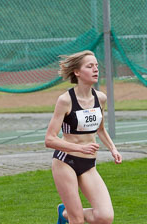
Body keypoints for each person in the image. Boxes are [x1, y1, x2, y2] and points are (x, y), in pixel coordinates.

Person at [45, 50, 122, 224]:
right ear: (77, 72)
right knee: (77, 220)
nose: (96, 69)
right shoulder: (65, 100)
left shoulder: (100, 98)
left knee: (105, 216)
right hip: (66, 161)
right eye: (90, 66)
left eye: (96, 65)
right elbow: (49, 139)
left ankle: (64, 213)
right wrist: (79, 148)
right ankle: (71, 215)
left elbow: (100, 129)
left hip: (88, 163)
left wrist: (113, 149)